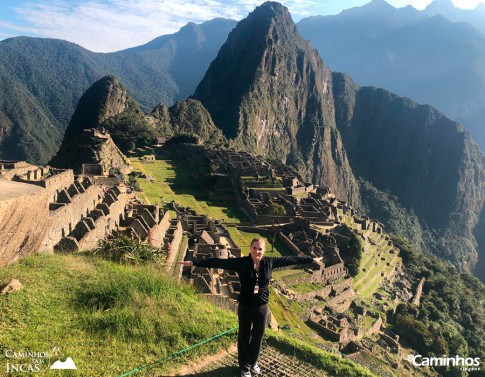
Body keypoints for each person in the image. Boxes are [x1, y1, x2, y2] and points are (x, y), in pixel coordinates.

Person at [178, 237, 322, 377]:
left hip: (262, 307)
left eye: (260, 249)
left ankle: (253, 363)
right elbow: (218, 262)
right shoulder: (241, 263)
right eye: (254, 248)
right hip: (246, 306)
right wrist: (194, 262)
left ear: (264, 250)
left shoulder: (269, 262)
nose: (257, 251)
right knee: (244, 335)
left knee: (258, 336)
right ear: (250, 248)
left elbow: (291, 259)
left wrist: (310, 259)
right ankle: (244, 367)